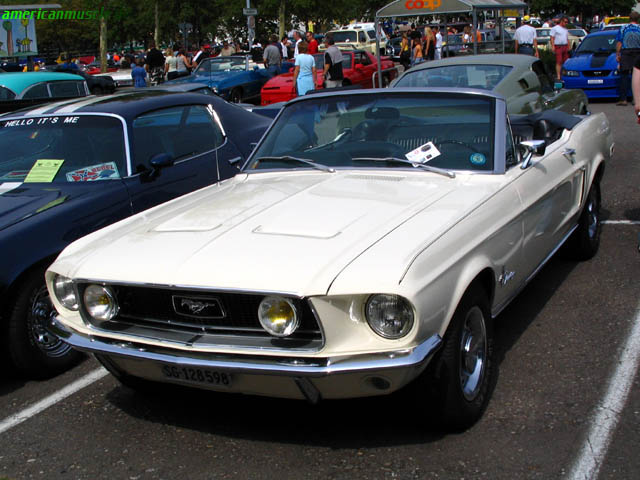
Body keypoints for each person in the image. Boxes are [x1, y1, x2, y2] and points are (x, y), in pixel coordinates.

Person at [615, 11, 640, 106]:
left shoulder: (623, 28)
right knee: (637, 75)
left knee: (624, 75)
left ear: (629, 18)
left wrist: (618, 54)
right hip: (638, 52)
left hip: (626, 52)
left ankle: (623, 99)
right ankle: (636, 99)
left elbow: (619, 43)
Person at [550, 16, 570, 81]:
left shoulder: (565, 29)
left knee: (566, 61)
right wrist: (553, 46)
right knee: (559, 61)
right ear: (561, 21)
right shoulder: (555, 28)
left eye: (567, 22)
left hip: (565, 46)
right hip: (558, 46)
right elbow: (552, 38)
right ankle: (558, 76)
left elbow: (567, 38)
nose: (566, 23)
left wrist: (568, 46)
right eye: (565, 22)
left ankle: (564, 74)